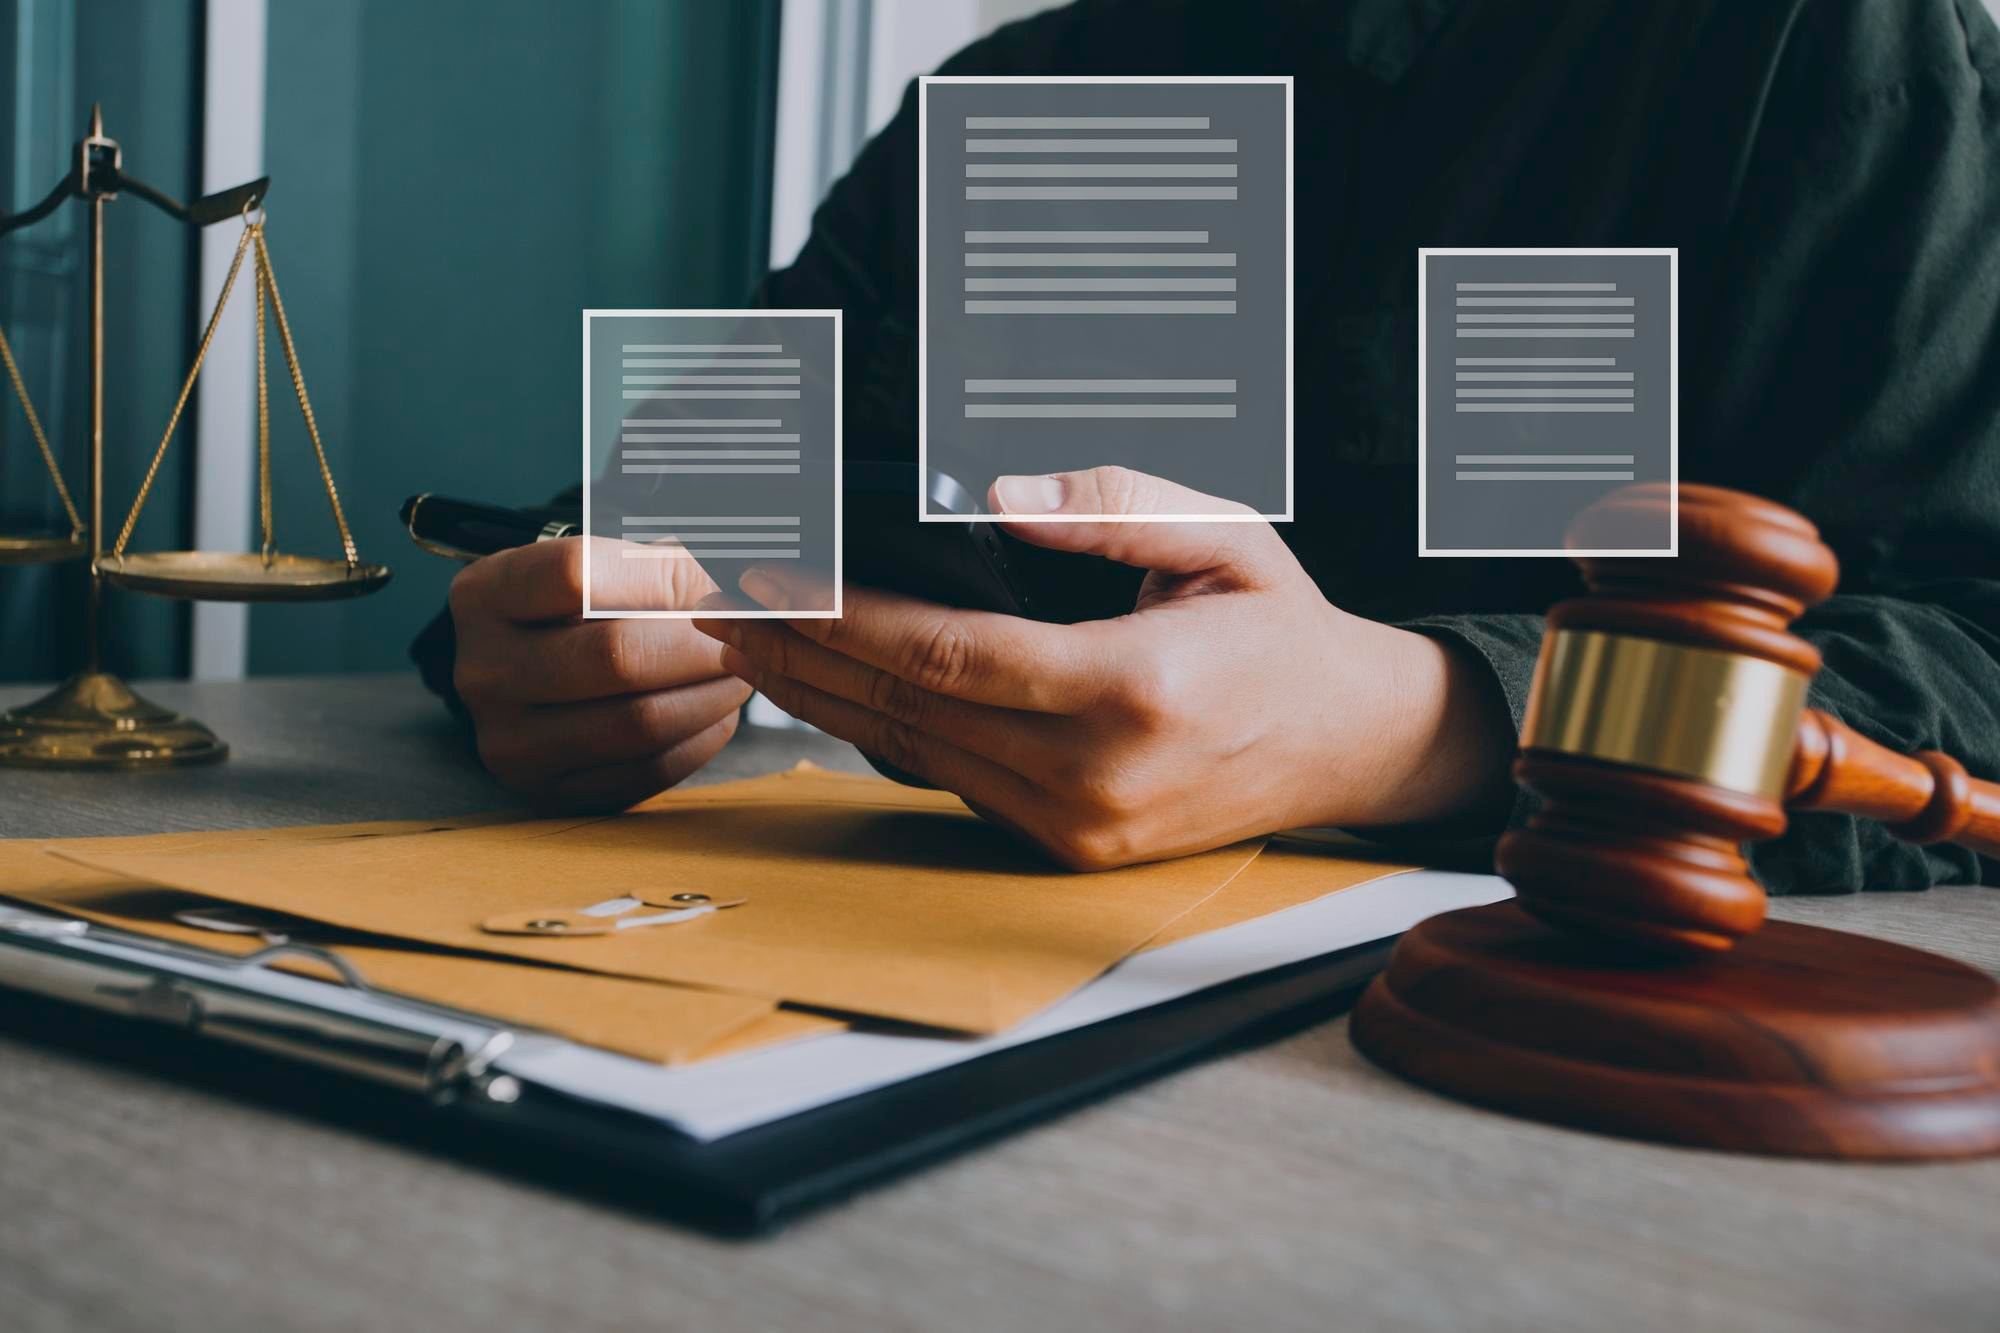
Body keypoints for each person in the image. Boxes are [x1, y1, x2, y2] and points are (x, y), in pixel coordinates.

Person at [424, 0, 2000, 894]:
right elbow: (651, 524)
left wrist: (1434, 722)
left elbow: (1971, 664)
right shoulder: (1039, 95)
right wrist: (545, 636)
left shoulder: (1798, 50)